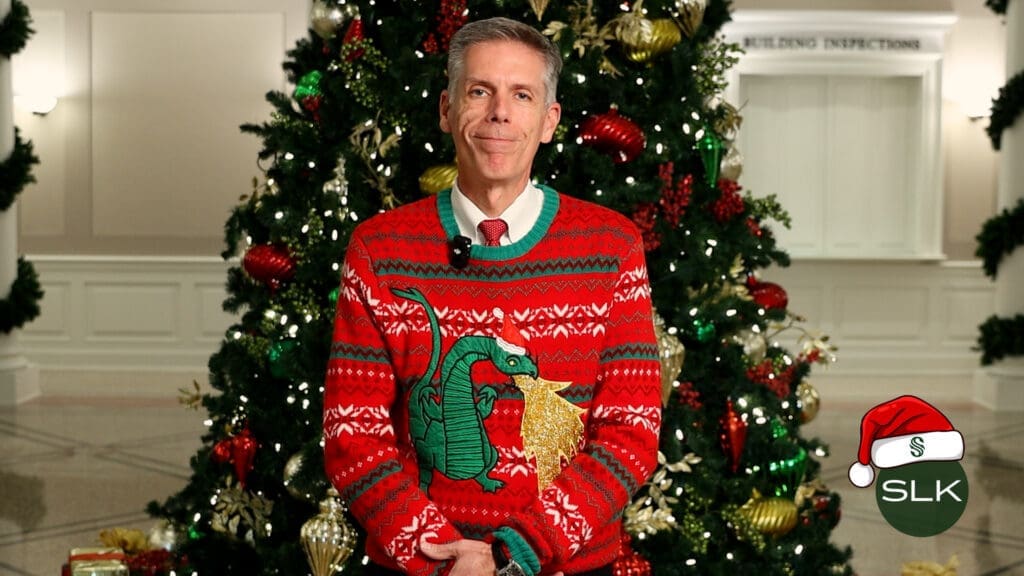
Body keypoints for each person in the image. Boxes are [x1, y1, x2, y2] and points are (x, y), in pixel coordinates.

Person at [324, 16, 661, 576]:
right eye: (479, 91)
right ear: (447, 110)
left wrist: (512, 554)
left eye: (521, 95)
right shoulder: (379, 249)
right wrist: (441, 555)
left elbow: (630, 432)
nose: (500, 112)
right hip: (421, 566)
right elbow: (353, 434)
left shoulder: (611, 245)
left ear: (548, 121)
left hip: (567, 565)